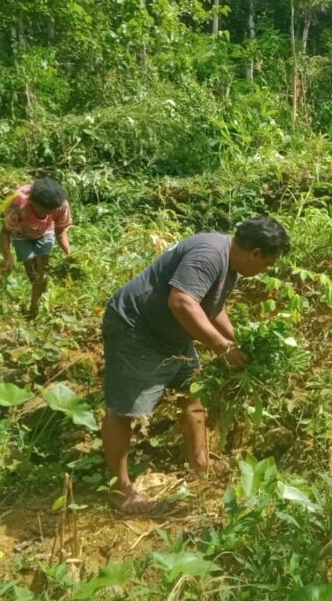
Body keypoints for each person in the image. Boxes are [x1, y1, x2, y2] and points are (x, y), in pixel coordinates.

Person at [100, 216, 291, 514]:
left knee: (193, 394)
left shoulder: (230, 264)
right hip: (136, 330)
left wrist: (237, 339)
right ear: (255, 253)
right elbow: (182, 302)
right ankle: (119, 488)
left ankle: (200, 465)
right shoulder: (210, 253)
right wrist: (219, 345)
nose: (264, 271)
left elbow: (212, 307)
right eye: (267, 264)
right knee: (124, 409)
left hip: (172, 336)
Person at [0, 178, 73, 320]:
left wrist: (69, 253)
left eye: (50, 211)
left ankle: (34, 310)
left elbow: (60, 229)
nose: (46, 214)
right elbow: (5, 232)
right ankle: (41, 296)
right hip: (20, 234)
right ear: (33, 203)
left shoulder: (60, 205)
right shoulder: (18, 205)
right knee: (30, 267)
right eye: (43, 210)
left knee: (41, 270)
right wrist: (8, 256)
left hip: (45, 232)